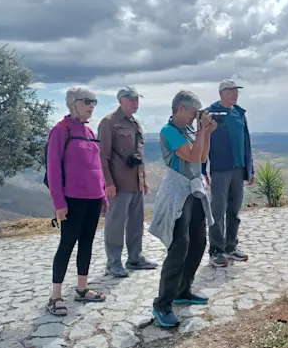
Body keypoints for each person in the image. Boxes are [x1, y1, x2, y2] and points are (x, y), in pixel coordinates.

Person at [149, 90, 216, 327]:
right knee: (180, 245)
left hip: (194, 189)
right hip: (177, 191)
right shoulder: (169, 131)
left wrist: (205, 131)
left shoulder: (189, 129)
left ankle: (183, 289)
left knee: (199, 240)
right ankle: (163, 303)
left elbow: (202, 154)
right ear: (180, 109)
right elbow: (189, 155)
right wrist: (201, 131)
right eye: (192, 112)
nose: (194, 117)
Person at [46, 86, 109, 316]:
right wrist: (59, 203)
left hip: (93, 198)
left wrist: (102, 194)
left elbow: (97, 166)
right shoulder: (60, 130)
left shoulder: (89, 132)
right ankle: (55, 296)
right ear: (73, 103)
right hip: (72, 200)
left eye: (94, 101)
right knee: (66, 245)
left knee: (87, 243)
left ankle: (82, 289)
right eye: (87, 101)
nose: (92, 105)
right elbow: (53, 169)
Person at [97, 86, 157, 278]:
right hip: (118, 183)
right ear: (121, 100)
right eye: (131, 99)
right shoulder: (109, 123)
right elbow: (102, 156)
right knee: (115, 223)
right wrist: (108, 183)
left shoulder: (134, 123)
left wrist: (144, 179)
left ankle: (135, 258)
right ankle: (113, 262)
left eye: (137, 99)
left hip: (136, 182)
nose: (135, 103)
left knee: (136, 222)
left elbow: (138, 154)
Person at [201, 79, 255, 268]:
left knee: (234, 209)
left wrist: (250, 169)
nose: (235, 94)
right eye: (231, 91)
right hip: (220, 168)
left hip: (238, 168)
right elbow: (202, 141)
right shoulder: (210, 113)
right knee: (218, 209)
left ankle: (231, 247)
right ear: (221, 93)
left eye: (236, 91)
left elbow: (246, 142)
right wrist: (202, 169)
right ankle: (216, 250)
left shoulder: (239, 113)